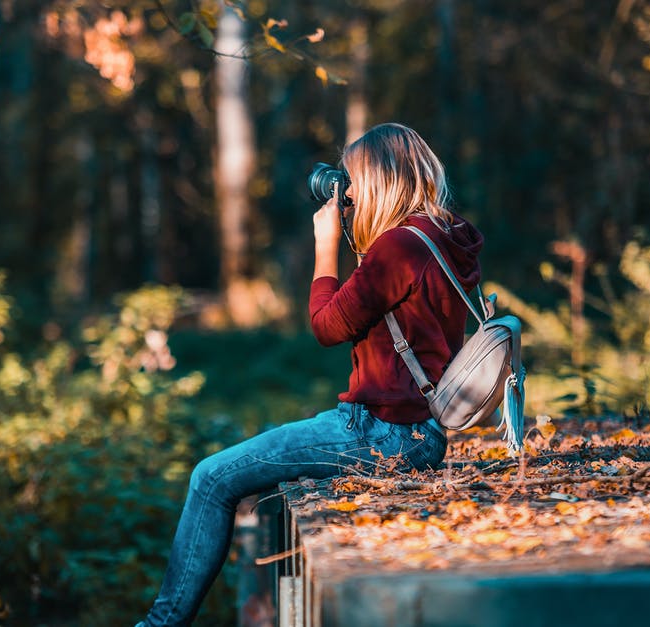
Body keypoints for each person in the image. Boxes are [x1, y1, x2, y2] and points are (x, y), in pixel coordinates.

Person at [136, 122, 483, 626]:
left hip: (382, 433)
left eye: (356, 179)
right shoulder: (447, 234)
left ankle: (160, 625)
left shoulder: (399, 248)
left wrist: (326, 246)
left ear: (381, 178)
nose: (350, 191)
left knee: (210, 479)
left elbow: (327, 326)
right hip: (421, 430)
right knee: (248, 485)